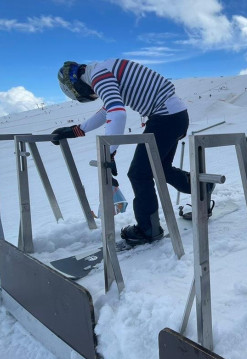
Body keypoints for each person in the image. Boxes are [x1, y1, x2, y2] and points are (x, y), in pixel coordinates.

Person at [53, 59, 212, 245]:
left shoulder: (98, 75)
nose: (93, 94)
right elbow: (108, 110)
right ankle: (204, 188)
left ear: (76, 84)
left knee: (139, 174)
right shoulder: (104, 69)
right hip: (174, 115)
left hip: (165, 118)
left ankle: (148, 229)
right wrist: (77, 130)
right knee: (161, 169)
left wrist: (109, 151)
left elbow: (117, 113)